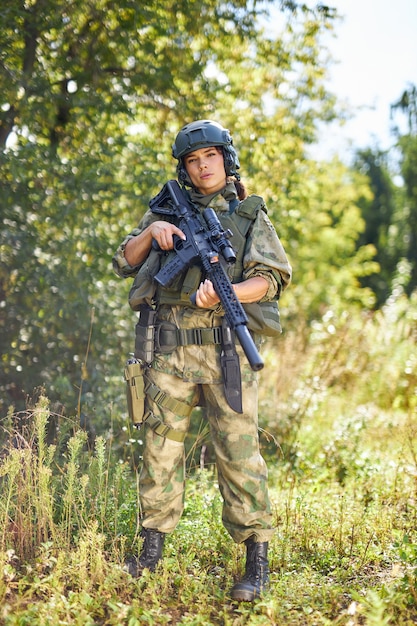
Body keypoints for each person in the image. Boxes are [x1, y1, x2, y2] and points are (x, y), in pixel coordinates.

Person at [112, 120, 292, 602]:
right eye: (193, 160)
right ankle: (150, 554)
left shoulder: (249, 215)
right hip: (168, 352)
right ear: (184, 168)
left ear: (226, 160)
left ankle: (256, 560)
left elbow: (270, 279)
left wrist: (225, 293)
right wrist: (154, 231)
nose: (202, 166)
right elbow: (124, 260)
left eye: (210, 156)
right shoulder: (164, 210)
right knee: (160, 452)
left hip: (225, 353)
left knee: (238, 455)